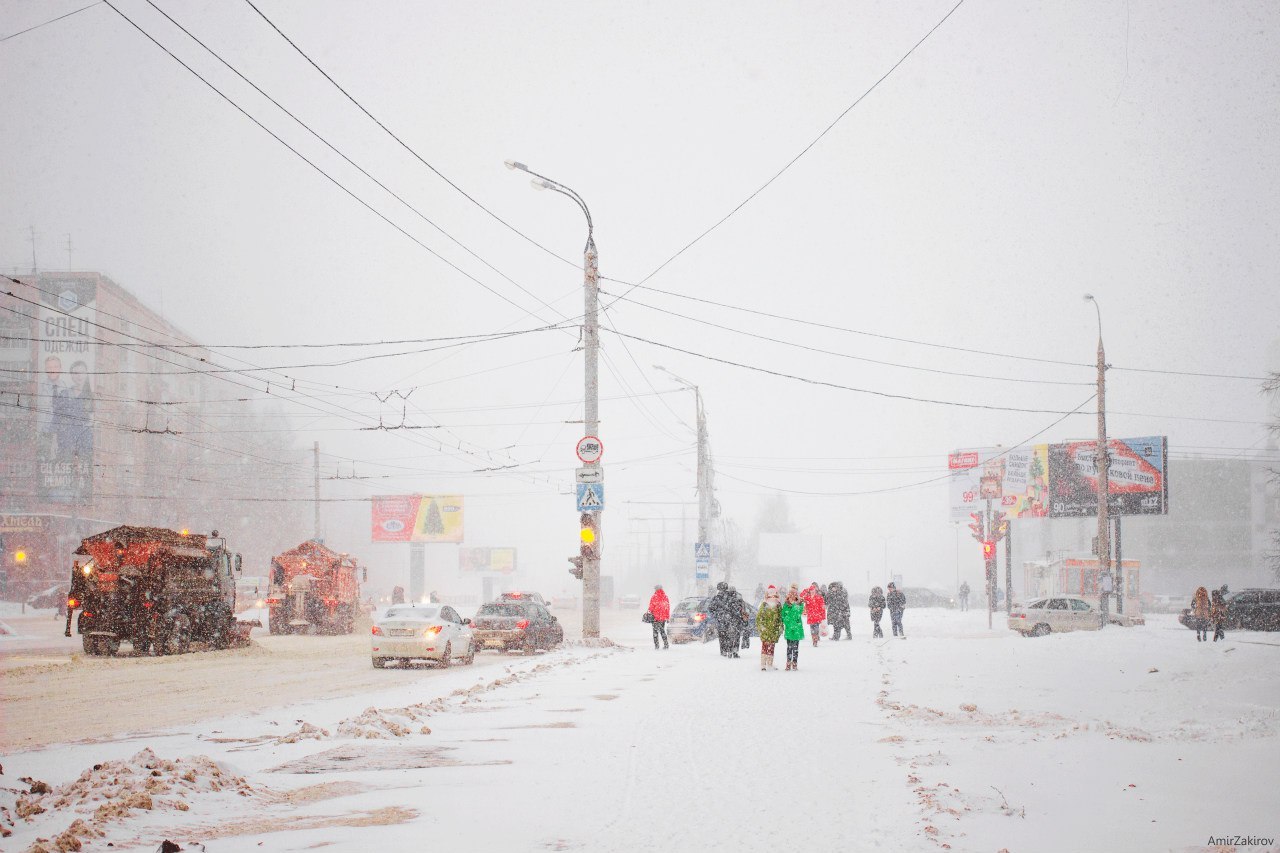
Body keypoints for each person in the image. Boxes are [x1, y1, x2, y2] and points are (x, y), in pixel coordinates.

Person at [756, 585, 782, 670]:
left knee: (772, 646)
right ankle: (763, 664)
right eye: (771, 595)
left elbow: (780, 618)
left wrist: (780, 627)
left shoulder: (778, 605)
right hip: (766, 629)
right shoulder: (764, 605)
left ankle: (769, 664)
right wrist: (762, 627)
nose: (772, 597)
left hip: (774, 630)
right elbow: (759, 618)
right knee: (765, 646)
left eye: (774, 595)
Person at [781, 585, 806, 671]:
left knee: (795, 648)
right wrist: (787, 622)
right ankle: (788, 662)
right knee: (789, 647)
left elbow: (799, 612)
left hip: (796, 629)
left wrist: (796, 604)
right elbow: (783, 615)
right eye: (791, 593)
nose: (792, 595)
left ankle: (794, 663)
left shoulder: (799, 604)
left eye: (794, 594)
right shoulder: (786, 604)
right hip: (789, 629)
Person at [708, 582, 736, 657]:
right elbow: (734, 608)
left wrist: (716, 615)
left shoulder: (716, 598)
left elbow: (710, 608)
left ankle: (723, 651)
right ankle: (730, 650)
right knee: (729, 636)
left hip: (720, 620)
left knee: (722, 636)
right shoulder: (731, 597)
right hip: (729, 620)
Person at [800, 581, 826, 646]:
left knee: (816, 629)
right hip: (811, 617)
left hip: (817, 616)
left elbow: (822, 608)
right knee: (812, 630)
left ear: (815, 591)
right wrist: (807, 589)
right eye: (811, 590)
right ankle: (814, 639)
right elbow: (801, 595)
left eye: (813, 590)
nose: (812, 591)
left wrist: (823, 616)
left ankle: (815, 641)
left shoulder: (819, 597)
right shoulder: (808, 598)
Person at [647, 584, 670, 650]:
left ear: (656, 589)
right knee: (662, 631)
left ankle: (656, 646)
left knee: (655, 632)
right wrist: (667, 617)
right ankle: (666, 644)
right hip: (662, 618)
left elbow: (651, 607)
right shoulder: (665, 597)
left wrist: (649, 612)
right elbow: (667, 608)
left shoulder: (654, 597)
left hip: (655, 618)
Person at [728, 586, 751, 652]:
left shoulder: (727, 598)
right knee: (736, 636)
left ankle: (730, 650)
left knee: (730, 636)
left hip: (729, 620)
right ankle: (735, 651)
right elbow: (743, 609)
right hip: (738, 619)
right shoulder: (739, 597)